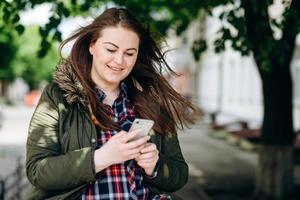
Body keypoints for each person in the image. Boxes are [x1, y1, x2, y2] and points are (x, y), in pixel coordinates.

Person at [26, 7, 201, 200]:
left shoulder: (151, 102)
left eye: (129, 53)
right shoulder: (57, 97)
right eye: (110, 49)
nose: (119, 60)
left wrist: (155, 166)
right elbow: (37, 171)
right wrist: (100, 158)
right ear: (92, 46)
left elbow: (179, 175)